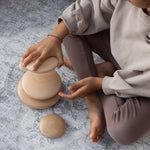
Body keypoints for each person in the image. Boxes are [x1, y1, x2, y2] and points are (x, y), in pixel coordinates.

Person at [21, 0, 150, 145]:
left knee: (122, 131)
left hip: (144, 85)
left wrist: (102, 83)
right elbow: (91, 6)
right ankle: (93, 100)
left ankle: (103, 75)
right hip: (126, 53)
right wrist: (55, 36)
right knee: (70, 26)